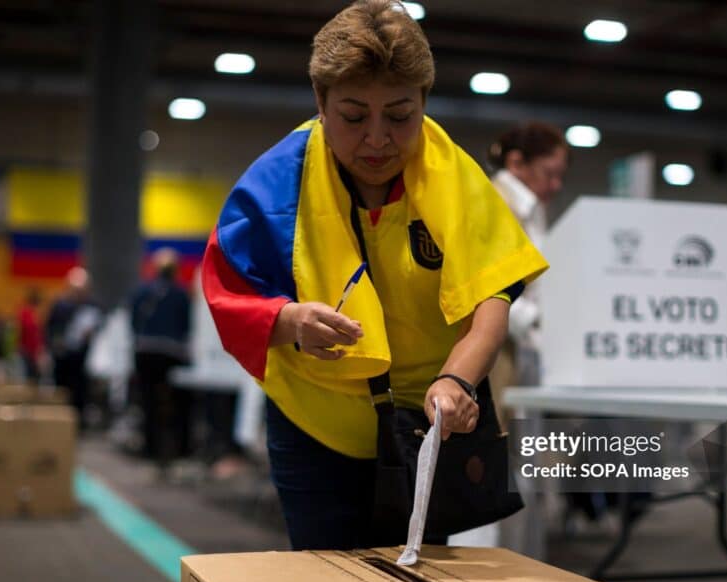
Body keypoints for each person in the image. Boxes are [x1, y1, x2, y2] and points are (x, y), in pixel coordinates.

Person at [202, 0, 547, 551]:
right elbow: (229, 291)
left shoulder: (453, 175)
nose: (379, 139)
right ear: (321, 102)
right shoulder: (274, 182)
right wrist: (289, 320)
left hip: (427, 427)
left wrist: (457, 381)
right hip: (315, 426)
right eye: (355, 116)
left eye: (401, 115)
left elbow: (492, 297)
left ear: (424, 102)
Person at [486, 122, 568, 422]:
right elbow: (491, 283)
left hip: (516, 340)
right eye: (550, 173)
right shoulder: (493, 202)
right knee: (494, 428)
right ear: (516, 163)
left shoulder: (531, 209)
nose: (556, 185)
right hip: (494, 341)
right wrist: (537, 323)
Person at [130, 248, 192, 474]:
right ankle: (179, 449)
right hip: (172, 354)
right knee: (178, 403)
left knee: (148, 402)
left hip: (145, 351)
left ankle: (150, 448)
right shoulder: (181, 293)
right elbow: (186, 325)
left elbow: (134, 320)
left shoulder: (143, 291)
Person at [46, 267, 101, 427]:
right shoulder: (60, 305)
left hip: (82, 358)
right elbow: (50, 329)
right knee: (61, 390)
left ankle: (77, 423)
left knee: (80, 391)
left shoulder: (92, 307)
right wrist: (55, 343)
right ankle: (59, 421)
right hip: (62, 357)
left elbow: (100, 329)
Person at [16, 288, 44, 382]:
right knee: (27, 377)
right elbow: (23, 331)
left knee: (36, 377)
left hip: (35, 351)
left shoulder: (37, 313)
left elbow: (38, 334)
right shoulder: (25, 312)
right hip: (25, 350)